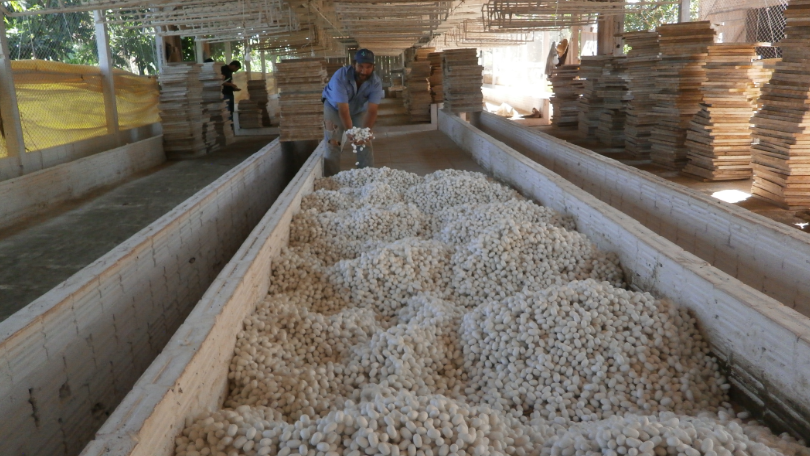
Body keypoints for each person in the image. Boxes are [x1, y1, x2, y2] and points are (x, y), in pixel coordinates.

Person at [321, 48, 384, 176]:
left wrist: (365, 132)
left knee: (364, 141)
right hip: (334, 107)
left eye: (368, 67)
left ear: (373, 67)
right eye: (360, 66)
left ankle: (367, 176)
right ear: (354, 64)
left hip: (357, 109)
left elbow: (372, 111)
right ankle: (331, 179)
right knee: (333, 142)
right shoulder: (341, 77)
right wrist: (350, 132)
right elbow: (343, 110)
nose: (364, 71)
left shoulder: (375, 82)